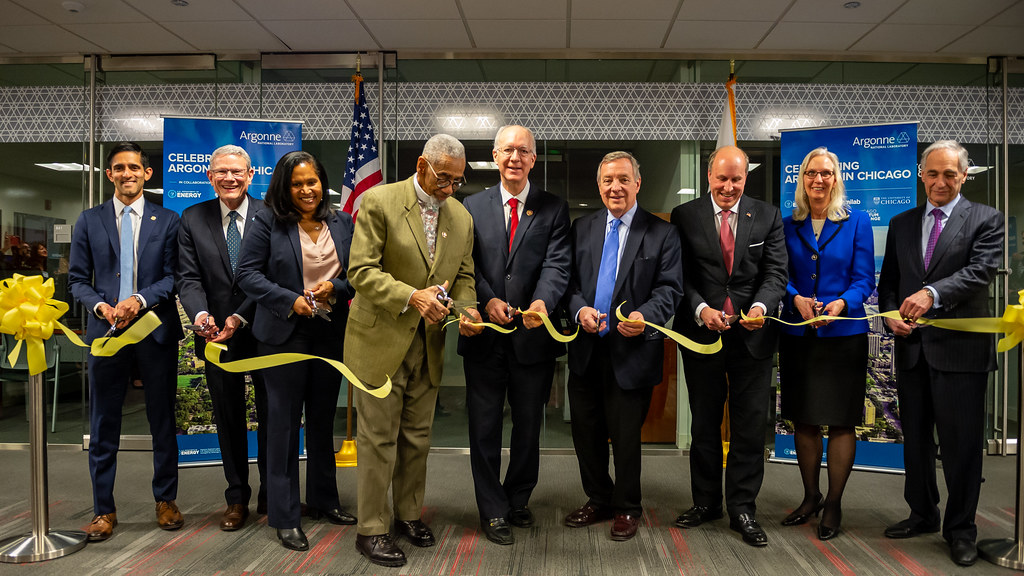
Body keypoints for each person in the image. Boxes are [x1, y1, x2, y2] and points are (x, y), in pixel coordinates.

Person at [345, 134, 482, 567]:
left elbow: (463, 276)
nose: (450, 188)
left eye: (457, 181)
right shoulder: (379, 201)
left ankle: (407, 514)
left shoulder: (461, 216)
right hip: (379, 340)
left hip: (429, 343)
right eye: (444, 178)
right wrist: (412, 296)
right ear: (422, 165)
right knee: (378, 439)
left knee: (417, 438)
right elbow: (360, 271)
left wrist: (468, 310)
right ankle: (371, 529)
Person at [877, 140, 1003, 567]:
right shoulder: (902, 223)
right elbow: (889, 283)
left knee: (960, 446)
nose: (940, 181)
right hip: (912, 350)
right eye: (932, 173)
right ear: (921, 175)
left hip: (961, 354)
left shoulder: (986, 219)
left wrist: (931, 293)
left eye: (950, 174)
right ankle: (923, 513)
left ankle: (961, 529)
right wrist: (890, 316)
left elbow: (980, 272)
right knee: (915, 441)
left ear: (964, 176)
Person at [235, 150, 356, 552]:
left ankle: (324, 500)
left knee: (322, 419)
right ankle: (285, 515)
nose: (306, 190)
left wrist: (336, 288)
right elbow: (247, 274)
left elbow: (357, 274)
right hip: (283, 333)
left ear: (323, 183)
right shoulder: (266, 221)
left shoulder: (342, 221)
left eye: (312, 181)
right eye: (297, 183)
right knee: (284, 425)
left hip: (329, 331)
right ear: (284, 188)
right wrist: (291, 300)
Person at [457, 125, 571, 545]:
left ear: (534, 159)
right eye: (507, 150)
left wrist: (542, 302)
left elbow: (558, 265)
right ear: (494, 155)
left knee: (527, 427)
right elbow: (465, 263)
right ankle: (492, 510)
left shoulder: (553, 208)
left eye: (523, 151)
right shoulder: (471, 206)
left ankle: (517, 498)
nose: (515, 158)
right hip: (485, 336)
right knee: (484, 427)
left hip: (532, 337)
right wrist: (487, 300)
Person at [671, 145, 788, 547]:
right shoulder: (685, 215)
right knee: (704, 423)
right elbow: (680, 275)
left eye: (736, 179)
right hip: (700, 334)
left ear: (745, 178)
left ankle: (742, 508)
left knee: (749, 427)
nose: (728, 186)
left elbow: (776, 273)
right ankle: (706, 503)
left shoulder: (768, 215)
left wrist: (760, 307)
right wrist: (701, 309)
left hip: (752, 338)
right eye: (721, 178)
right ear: (709, 176)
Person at [562, 151, 682, 542]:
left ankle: (628, 506)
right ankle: (599, 498)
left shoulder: (661, 232)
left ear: (637, 184)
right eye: (608, 180)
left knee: (626, 437)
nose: (615, 187)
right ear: (599, 186)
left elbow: (670, 289)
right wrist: (579, 310)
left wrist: (644, 315)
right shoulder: (582, 228)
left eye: (623, 179)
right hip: (586, 349)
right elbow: (568, 284)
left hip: (632, 353)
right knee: (586, 434)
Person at [68, 141, 185, 542]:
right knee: (104, 423)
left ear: (147, 173)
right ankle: (104, 509)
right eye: (119, 168)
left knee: (162, 419)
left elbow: (173, 277)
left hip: (154, 331)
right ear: (109, 175)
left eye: (134, 167)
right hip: (106, 335)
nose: (127, 174)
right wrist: (101, 307)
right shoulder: (89, 220)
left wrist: (139, 299)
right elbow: (78, 280)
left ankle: (166, 500)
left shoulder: (168, 220)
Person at [777, 147, 875, 540]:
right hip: (799, 333)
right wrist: (795, 298)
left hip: (843, 335)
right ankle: (810, 496)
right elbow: (778, 274)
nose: (818, 180)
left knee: (840, 420)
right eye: (811, 173)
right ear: (801, 179)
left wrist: (842, 303)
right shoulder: (787, 224)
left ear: (836, 179)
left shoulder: (857, 221)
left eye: (826, 173)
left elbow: (864, 279)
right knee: (803, 417)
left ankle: (833, 503)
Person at [176, 144, 268, 531]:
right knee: (228, 418)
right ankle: (236, 498)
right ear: (209, 176)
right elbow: (188, 277)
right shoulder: (192, 218)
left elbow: (274, 274)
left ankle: (272, 493)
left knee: (272, 415)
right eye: (221, 172)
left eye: (237, 171)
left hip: (264, 330)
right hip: (215, 336)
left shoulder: (271, 214)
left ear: (250, 175)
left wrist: (239, 315)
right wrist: (200, 315)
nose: (229, 178)